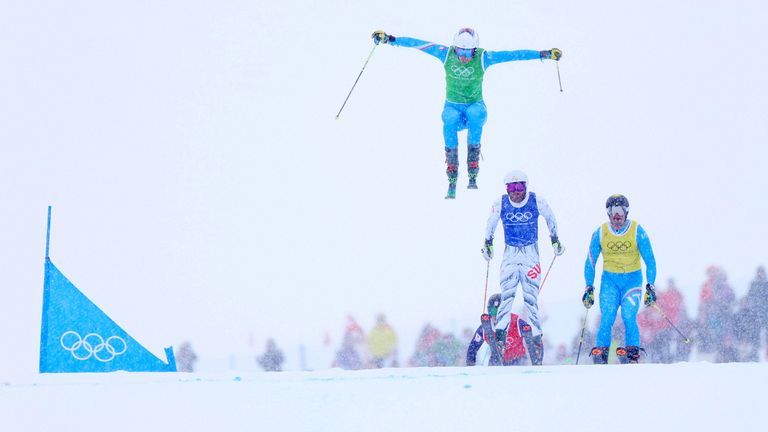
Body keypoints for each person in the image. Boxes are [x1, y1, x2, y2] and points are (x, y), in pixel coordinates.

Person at [371, 28, 562, 199]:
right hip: (453, 107)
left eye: (468, 52)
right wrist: (389, 39)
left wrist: (543, 54)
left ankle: (473, 165)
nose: (463, 56)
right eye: (460, 51)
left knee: (476, 113)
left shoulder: (482, 57)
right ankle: (452, 170)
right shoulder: (446, 54)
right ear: (455, 48)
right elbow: (417, 44)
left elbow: (512, 55)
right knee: (449, 118)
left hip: (474, 107)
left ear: (474, 49)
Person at [481, 170, 564, 363]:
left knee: (530, 298)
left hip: (530, 254)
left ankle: (536, 339)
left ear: (526, 187)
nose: (516, 192)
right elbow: (491, 223)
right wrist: (487, 243)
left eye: (519, 187)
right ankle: (500, 337)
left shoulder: (537, 201)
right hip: (510, 253)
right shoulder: (500, 203)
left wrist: (555, 240)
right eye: (511, 187)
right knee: (507, 296)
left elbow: (550, 217)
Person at [582, 194, 657, 364]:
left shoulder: (637, 231)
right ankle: (601, 350)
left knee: (628, 316)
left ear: (626, 212)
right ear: (608, 213)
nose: (616, 215)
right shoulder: (601, 232)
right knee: (607, 316)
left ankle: (631, 352)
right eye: (612, 211)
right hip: (610, 282)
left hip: (632, 281)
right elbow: (591, 261)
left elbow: (650, 261)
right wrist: (589, 287)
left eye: (620, 211)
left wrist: (650, 286)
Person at [466, 294, 539, 366]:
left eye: (500, 312)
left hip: (517, 358)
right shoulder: (485, 327)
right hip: (497, 359)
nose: (497, 315)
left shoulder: (516, 322)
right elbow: (473, 347)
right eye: (493, 311)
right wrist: (470, 364)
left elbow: (531, 335)